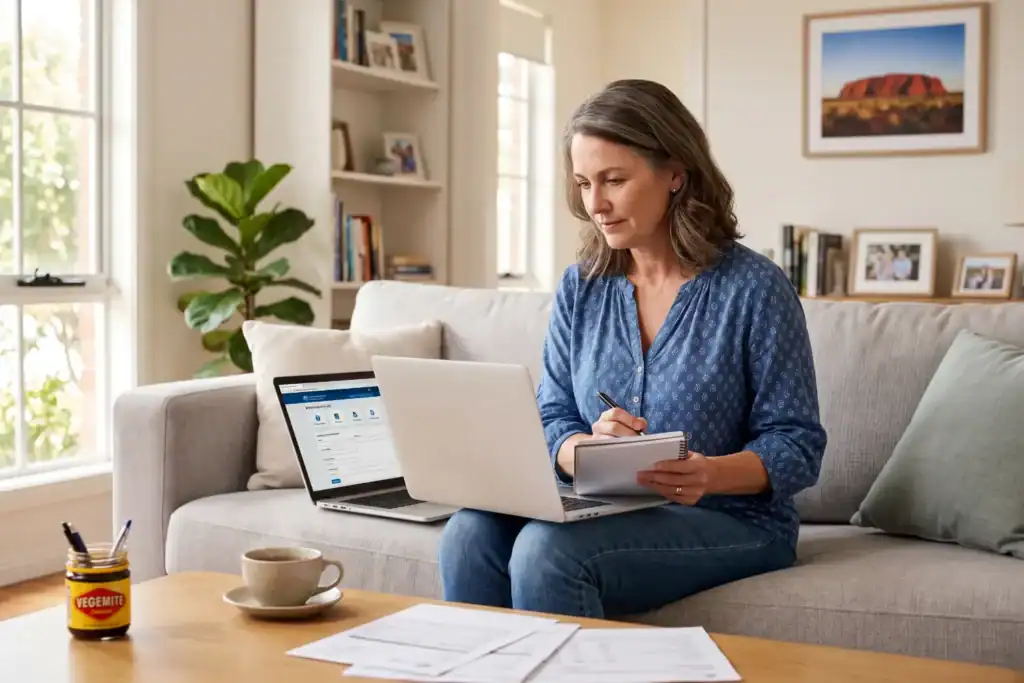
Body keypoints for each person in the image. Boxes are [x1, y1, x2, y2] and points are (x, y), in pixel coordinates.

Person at [436, 79, 827, 619]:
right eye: (582, 183)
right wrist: (584, 451)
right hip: (604, 507)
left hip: (735, 520)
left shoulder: (754, 289)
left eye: (614, 180)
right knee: (469, 532)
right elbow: (554, 415)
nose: (595, 204)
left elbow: (798, 444)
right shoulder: (584, 284)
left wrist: (709, 472)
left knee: (546, 552)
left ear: (675, 173)